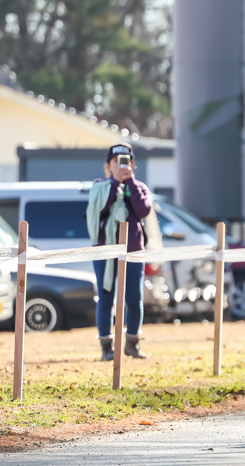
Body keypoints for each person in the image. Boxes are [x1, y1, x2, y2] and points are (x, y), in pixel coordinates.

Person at [86, 143, 154, 361]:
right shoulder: (100, 186)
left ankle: (132, 344)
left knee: (134, 298)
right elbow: (99, 210)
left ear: (133, 164)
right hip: (105, 250)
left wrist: (130, 183)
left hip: (133, 250)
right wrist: (115, 183)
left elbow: (143, 210)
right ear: (108, 166)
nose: (121, 165)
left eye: (126, 161)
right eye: (116, 161)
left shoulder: (140, 187)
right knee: (106, 298)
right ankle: (106, 347)